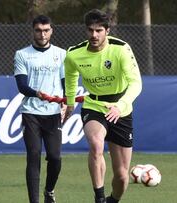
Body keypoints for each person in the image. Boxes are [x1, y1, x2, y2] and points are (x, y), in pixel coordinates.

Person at [63, 9, 142, 203]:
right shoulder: (74, 54)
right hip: (94, 105)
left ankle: (111, 200)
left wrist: (120, 106)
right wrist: (70, 103)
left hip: (121, 109)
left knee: (122, 176)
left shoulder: (121, 49)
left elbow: (136, 83)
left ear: (107, 30)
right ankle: (98, 197)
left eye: (99, 30)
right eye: (90, 30)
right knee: (96, 144)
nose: (94, 35)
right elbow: (71, 79)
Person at [14, 15, 66, 203]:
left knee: (55, 158)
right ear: (33, 31)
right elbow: (21, 86)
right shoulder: (22, 54)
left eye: (46, 30)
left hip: (53, 114)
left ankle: (49, 191)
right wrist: (37, 94)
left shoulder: (61, 54)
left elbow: (65, 82)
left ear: (51, 31)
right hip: (31, 113)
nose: (42, 34)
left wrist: (66, 102)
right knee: (33, 155)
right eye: (38, 30)